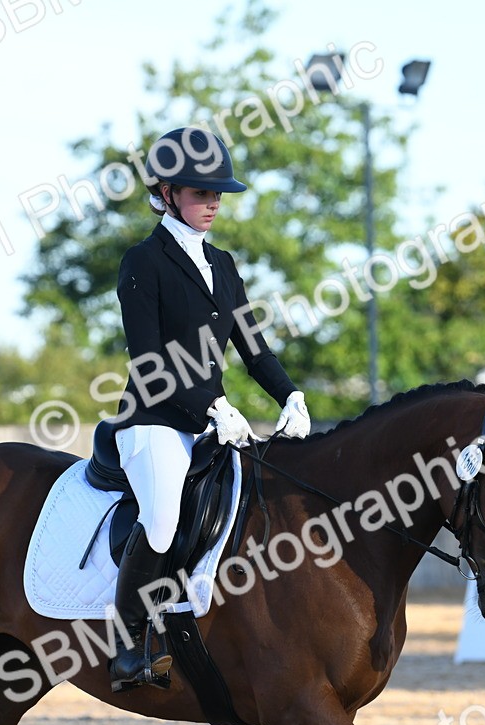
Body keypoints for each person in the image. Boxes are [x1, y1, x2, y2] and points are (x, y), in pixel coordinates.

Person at [108, 127, 311, 691]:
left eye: (218, 193)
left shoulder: (222, 264)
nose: (214, 203)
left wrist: (289, 394)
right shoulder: (142, 262)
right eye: (201, 193)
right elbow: (150, 360)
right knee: (163, 521)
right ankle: (126, 646)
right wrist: (212, 404)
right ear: (168, 193)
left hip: (208, 421)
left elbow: (253, 346)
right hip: (151, 421)